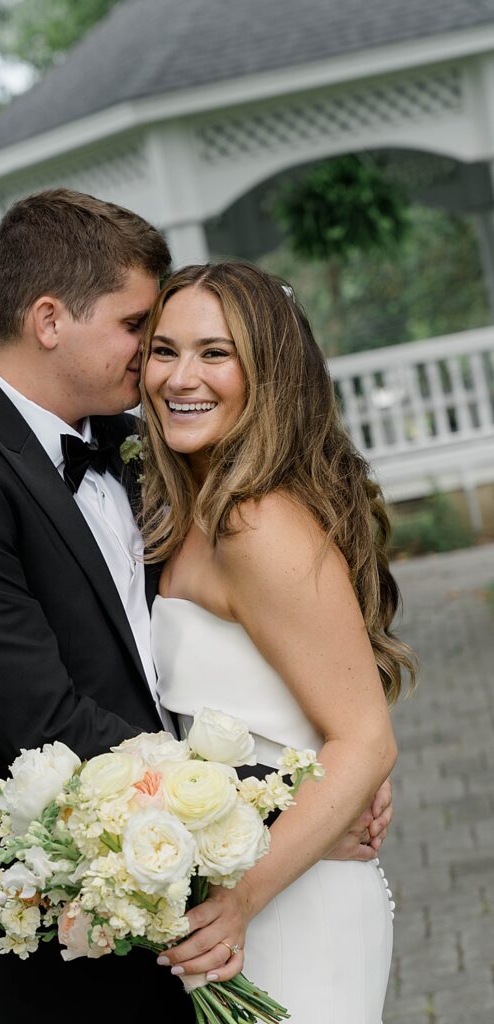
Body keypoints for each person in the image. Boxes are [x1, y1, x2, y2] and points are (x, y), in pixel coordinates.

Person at [0, 191, 393, 1023]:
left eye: (199, 349)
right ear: (49, 319)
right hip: (15, 926)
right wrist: (293, 797)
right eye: (140, 330)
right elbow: (46, 718)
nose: (157, 363)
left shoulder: (142, 457)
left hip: (167, 896)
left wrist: (323, 780)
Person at [140, 261, 416, 1022]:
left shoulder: (255, 524)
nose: (179, 377)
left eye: (214, 352)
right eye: (163, 350)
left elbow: (363, 740)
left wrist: (237, 901)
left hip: (295, 905)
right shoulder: (185, 514)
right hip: (259, 890)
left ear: (269, 373)